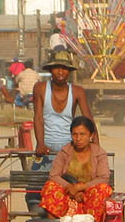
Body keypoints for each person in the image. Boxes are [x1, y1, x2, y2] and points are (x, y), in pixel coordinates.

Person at [26, 50, 95, 212]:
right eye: (57, 67)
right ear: (51, 70)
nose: (60, 72)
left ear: (69, 72)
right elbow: (38, 118)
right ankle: (38, 213)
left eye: (64, 68)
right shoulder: (40, 88)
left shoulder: (77, 91)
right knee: (33, 188)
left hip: (69, 150)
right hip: (46, 149)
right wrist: (40, 144)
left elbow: (88, 120)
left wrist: (95, 148)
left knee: (76, 187)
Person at [40, 116, 112, 222]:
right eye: (75, 134)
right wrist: (71, 188)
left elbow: (103, 178)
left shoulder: (99, 153)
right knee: (50, 186)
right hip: (67, 194)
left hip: (88, 196)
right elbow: (54, 175)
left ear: (91, 135)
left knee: (103, 189)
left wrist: (81, 187)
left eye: (82, 134)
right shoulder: (65, 151)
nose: (78, 138)